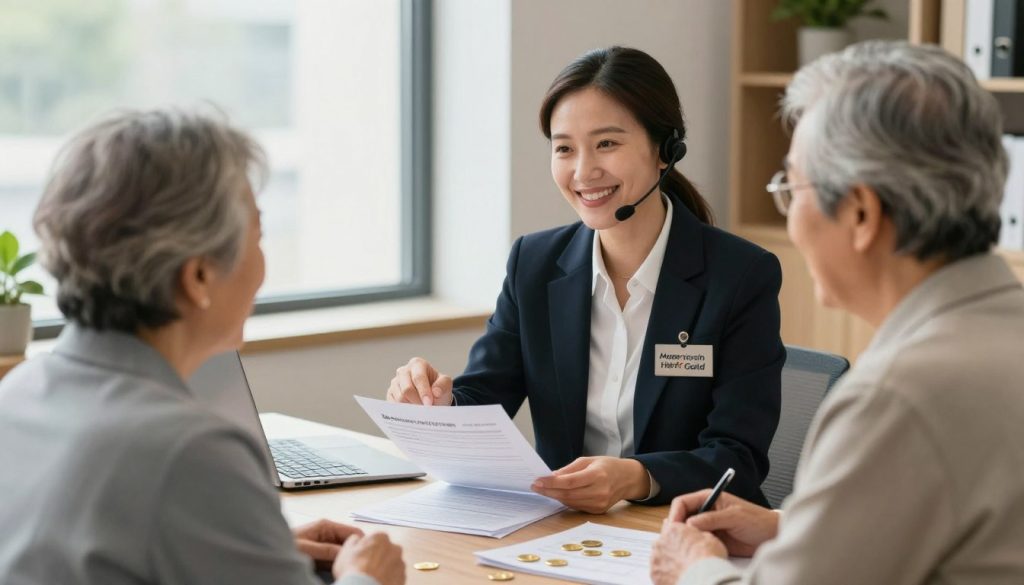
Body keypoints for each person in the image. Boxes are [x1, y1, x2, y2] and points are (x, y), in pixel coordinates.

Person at [650, 40, 1024, 585]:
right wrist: (793, 529)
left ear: (861, 213)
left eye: (791, 187)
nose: (790, 216)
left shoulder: (895, 397)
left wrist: (693, 567)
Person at [0, 110, 404, 585]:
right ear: (198, 277)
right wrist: (366, 577)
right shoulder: (192, 451)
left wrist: (249, 549)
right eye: (257, 236)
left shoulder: (18, 393)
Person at [387, 46, 785, 513]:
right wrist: (437, 403)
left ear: (665, 151)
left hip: (686, 527)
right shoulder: (534, 264)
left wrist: (636, 477)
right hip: (568, 531)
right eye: (564, 148)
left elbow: (738, 457)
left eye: (607, 144)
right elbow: (485, 398)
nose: (583, 171)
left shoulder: (740, 276)